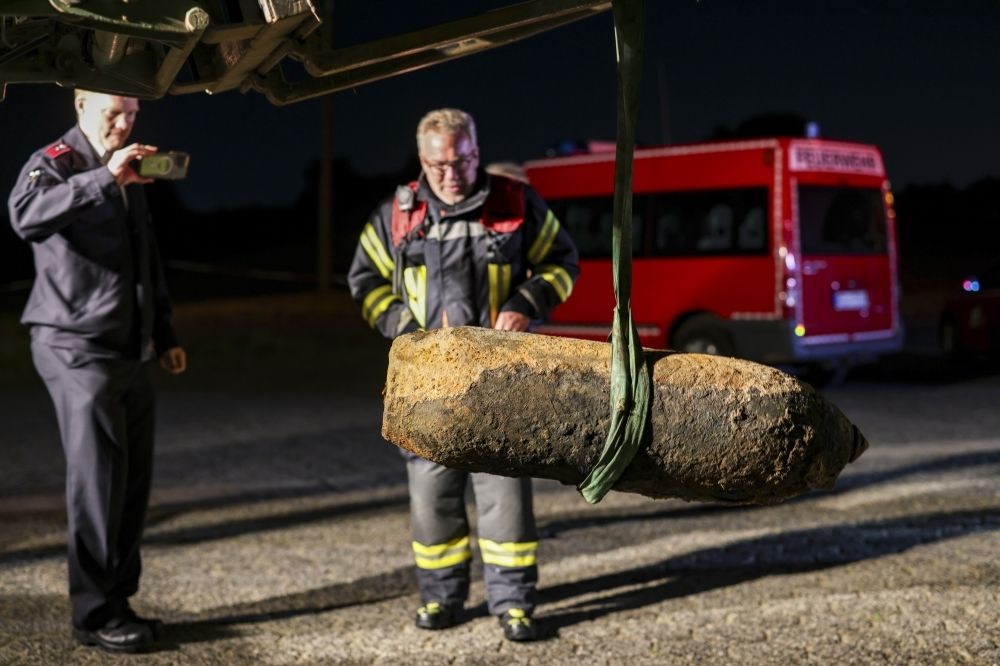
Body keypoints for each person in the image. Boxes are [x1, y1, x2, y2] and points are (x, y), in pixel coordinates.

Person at [348, 108, 579, 642]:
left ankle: (515, 605)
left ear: (476, 151)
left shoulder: (516, 203)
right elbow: (364, 281)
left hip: (501, 385)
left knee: (505, 503)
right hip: (427, 388)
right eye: (438, 164)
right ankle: (441, 597)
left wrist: (527, 301)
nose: (451, 173)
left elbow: (563, 263)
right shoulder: (397, 215)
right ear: (422, 160)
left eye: (462, 160)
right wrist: (405, 328)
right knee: (432, 500)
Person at [7, 90, 187, 654]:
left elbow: (144, 251)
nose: (123, 123)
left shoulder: (127, 167)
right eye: (112, 113)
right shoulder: (57, 161)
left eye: (132, 113)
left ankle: (117, 601)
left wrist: (166, 333)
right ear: (81, 105)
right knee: (97, 483)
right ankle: (92, 614)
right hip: (75, 348)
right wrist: (104, 179)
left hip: (129, 346)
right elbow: (24, 217)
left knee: (131, 482)